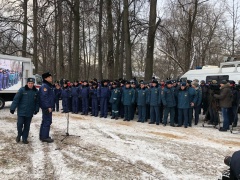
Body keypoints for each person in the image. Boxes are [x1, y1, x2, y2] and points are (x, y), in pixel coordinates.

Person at [10, 78, 39, 144]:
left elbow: (37, 102)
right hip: (21, 112)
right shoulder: (22, 90)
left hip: (30, 112)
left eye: (32, 83)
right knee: (19, 125)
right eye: (29, 83)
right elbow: (16, 99)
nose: (30, 85)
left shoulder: (36, 91)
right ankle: (19, 134)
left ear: (33, 84)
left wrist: (36, 109)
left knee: (27, 126)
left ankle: (24, 138)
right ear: (27, 83)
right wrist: (12, 108)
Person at [39, 72, 55, 143]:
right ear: (45, 78)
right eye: (49, 77)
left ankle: (42, 135)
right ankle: (45, 137)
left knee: (45, 120)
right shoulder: (45, 86)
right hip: (47, 107)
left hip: (48, 106)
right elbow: (44, 97)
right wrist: (48, 106)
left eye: (51, 77)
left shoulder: (48, 86)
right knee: (47, 121)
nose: (51, 78)